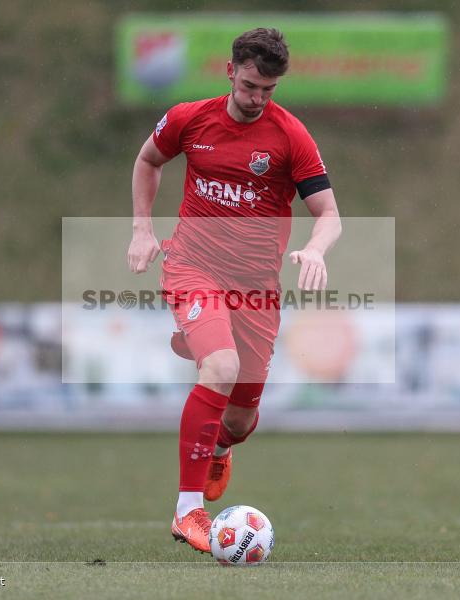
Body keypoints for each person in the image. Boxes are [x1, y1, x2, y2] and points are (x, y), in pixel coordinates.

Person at [127, 28, 341, 554]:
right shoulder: (188, 119)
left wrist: (315, 250)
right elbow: (148, 161)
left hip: (256, 289)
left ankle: (220, 445)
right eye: (249, 86)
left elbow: (329, 214)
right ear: (230, 72)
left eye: (268, 90)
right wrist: (141, 228)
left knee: (241, 418)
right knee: (219, 368)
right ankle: (188, 512)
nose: (257, 99)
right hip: (193, 265)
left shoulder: (291, 137)